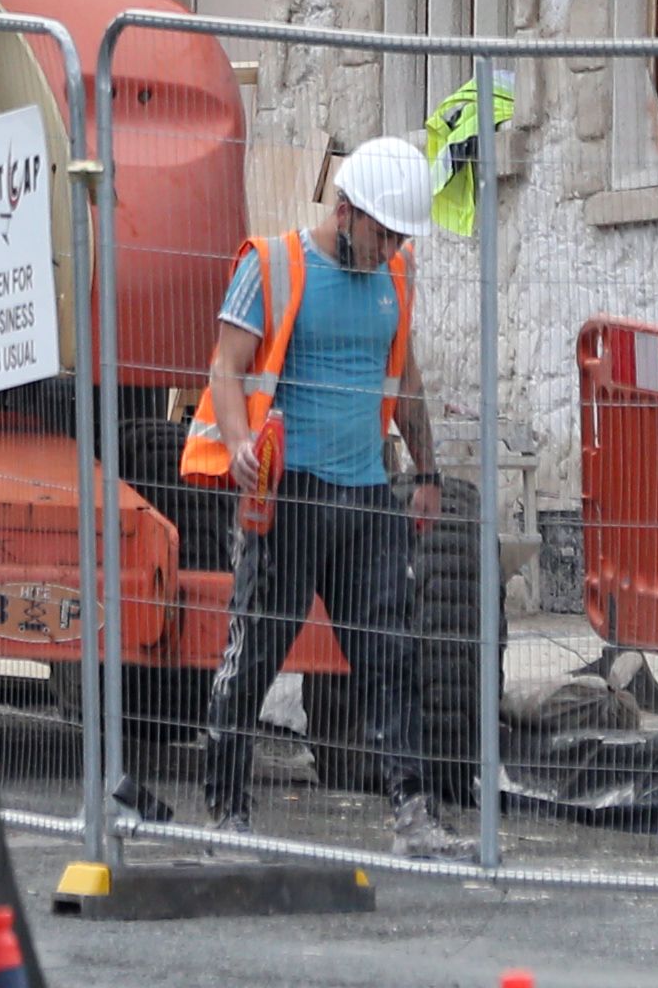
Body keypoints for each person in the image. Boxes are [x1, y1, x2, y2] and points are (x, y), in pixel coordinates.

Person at [188, 135, 452, 847]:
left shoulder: (395, 279)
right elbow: (225, 367)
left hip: (366, 496)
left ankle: (412, 812)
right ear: (345, 212)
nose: (391, 245)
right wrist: (241, 442)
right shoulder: (271, 264)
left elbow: (405, 382)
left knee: (390, 654)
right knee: (255, 653)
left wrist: (425, 473)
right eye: (382, 230)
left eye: (400, 234)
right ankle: (227, 809)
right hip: (289, 495)